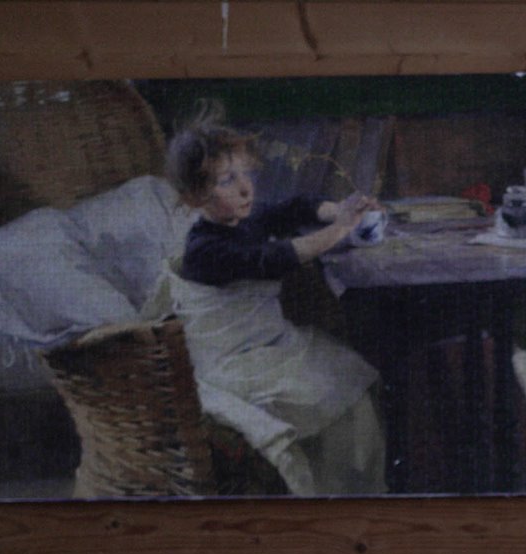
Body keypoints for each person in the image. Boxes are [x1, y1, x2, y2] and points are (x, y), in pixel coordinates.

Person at [158, 119, 387, 495]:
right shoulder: (204, 247)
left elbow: (293, 208)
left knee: (353, 387)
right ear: (196, 197)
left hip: (273, 346)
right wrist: (340, 230)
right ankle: (329, 494)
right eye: (226, 180)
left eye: (243, 173)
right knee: (329, 393)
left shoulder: (245, 218)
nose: (245, 186)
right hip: (232, 362)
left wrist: (340, 209)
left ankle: (352, 490)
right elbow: (273, 258)